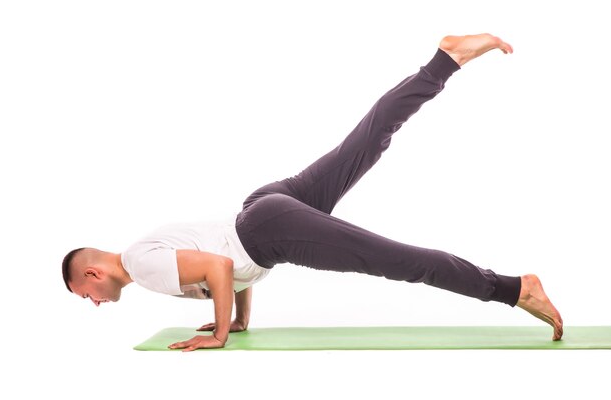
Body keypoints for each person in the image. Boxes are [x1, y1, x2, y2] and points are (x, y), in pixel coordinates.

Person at [62, 33, 563, 351]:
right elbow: (227, 268)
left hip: (270, 230)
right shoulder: (144, 250)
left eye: (85, 294)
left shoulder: (143, 268)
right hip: (261, 211)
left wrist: (216, 334)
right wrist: (237, 320)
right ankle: (443, 62)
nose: (94, 301)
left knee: (399, 260)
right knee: (365, 144)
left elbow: (218, 268)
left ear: (92, 272)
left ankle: (514, 288)